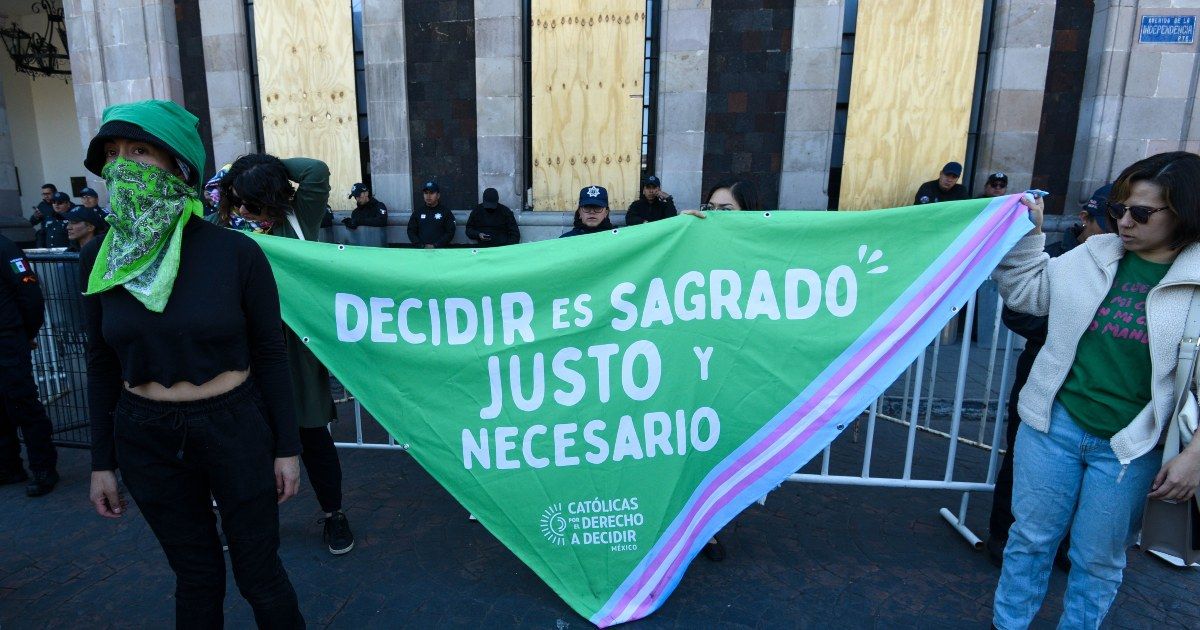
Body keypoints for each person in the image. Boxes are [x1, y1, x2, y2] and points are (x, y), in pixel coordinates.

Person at [80, 99, 305, 627]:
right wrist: (101, 461)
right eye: (112, 153)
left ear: (180, 166)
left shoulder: (236, 253)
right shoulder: (100, 258)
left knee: (259, 574)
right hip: (145, 436)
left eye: (140, 150)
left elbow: (271, 354)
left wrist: (287, 449)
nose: (122, 165)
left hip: (234, 427)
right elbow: (100, 363)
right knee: (196, 576)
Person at [991, 152, 1200, 629]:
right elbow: (1027, 295)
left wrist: (1195, 456)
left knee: (1096, 560)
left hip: (1131, 447)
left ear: (1183, 213)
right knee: (1029, 541)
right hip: (1053, 425)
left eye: (1141, 213)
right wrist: (1028, 236)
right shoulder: (1095, 253)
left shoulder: (1195, 280)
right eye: (1119, 209)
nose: (1124, 222)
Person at [216, 153, 355, 556]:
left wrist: (261, 167)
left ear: (272, 198)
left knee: (312, 437)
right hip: (244, 350)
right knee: (248, 442)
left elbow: (316, 170)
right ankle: (251, 521)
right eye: (237, 200)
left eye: (253, 202)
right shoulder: (224, 227)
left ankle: (334, 513)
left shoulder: (298, 218)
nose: (244, 210)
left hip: (294, 350)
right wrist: (238, 175)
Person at [985, 183, 1112, 568]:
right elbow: (1019, 312)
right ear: (1086, 219)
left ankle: (1066, 544)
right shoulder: (1058, 256)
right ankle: (1004, 536)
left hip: (1093, 391)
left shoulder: (1126, 265)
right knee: (1022, 460)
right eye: (1110, 223)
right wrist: (1073, 331)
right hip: (1041, 377)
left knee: (1085, 472)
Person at [0, 234, 59, 496]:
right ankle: (8, 466)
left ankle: (44, 469)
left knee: (22, 403)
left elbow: (29, 293)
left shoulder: (4, 247)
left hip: (7, 339)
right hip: (9, 336)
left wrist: (25, 332)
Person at [408, 180, 456, 248]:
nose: (428, 196)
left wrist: (436, 245)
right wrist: (421, 245)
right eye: (426, 193)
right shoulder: (418, 212)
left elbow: (450, 232)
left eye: (431, 193)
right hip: (421, 250)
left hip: (440, 250)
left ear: (438, 195)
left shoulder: (445, 212)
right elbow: (411, 231)